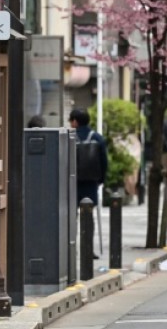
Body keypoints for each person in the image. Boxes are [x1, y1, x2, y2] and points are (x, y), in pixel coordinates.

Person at [69, 108, 108, 259]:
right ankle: (88, 249)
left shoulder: (70, 138)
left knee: (71, 217)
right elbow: (104, 162)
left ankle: (70, 249)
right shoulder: (97, 138)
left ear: (75, 122)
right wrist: (101, 180)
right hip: (91, 183)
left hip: (72, 183)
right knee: (88, 217)